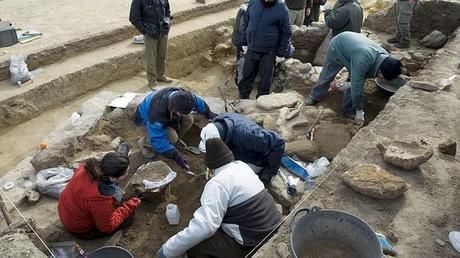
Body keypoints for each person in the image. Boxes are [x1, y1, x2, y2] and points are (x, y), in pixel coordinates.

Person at [157, 138, 282, 258]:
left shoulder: (217, 184)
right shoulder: (242, 167)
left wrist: (169, 249)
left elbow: (205, 227)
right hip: (274, 229)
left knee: (195, 245)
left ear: (210, 168)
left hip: (254, 245)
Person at [304, 32, 403, 126]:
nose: (383, 80)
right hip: (338, 46)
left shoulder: (385, 58)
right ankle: (314, 96)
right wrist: (359, 111)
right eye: (383, 78)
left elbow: (357, 81)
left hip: (354, 52)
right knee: (327, 75)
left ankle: (347, 110)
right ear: (381, 71)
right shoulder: (363, 60)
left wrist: (345, 85)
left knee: (355, 81)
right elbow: (357, 87)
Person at [58, 151, 141, 239]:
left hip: (68, 213)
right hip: (80, 229)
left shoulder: (87, 168)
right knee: (130, 216)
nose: (127, 175)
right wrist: (130, 206)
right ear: (112, 177)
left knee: (117, 199)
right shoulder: (101, 198)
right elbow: (107, 227)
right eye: (125, 174)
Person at [134, 87, 218, 169]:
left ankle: (172, 144)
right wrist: (176, 157)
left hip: (166, 115)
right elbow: (158, 141)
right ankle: (145, 144)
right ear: (173, 107)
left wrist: (209, 113)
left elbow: (197, 101)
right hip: (145, 120)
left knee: (188, 119)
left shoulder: (184, 96)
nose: (181, 116)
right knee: (172, 137)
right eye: (179, 113)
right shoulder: (157, 113)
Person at [198, 112, 285, 187]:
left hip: (255, 159)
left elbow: (278, 143)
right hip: (238, 151)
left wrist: (267, 175)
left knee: (233, 183)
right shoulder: (216, 123)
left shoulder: (247, 135)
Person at [238, 0, 294, 99]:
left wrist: (281, 53)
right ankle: (243, 98)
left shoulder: (281, 8)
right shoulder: (254, 2)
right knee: (246, 76)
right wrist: (244, 43)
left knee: (265, 81)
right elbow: (246, 23)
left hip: (269, 52)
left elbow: (286, 33)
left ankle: (261, 102)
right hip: (252, 48)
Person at [129, 0, 173, 89]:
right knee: (151, 58)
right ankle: (152, 82)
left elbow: (167, 11)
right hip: (150, 33)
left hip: (163, 31)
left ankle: (160, 76)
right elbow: (133, 18)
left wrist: (167, 24)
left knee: (162, 55)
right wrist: (145, 31)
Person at [231, 0, 250, 85]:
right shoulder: (246, 8)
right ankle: (239, 83)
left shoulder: (250, 6)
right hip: (241, 41)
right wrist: (245, 44)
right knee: (241, 62)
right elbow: (242, 29)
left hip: (242, 40)